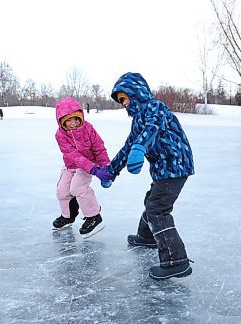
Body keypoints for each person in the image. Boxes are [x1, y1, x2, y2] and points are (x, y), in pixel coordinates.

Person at [106, 72, 195, 280]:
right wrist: (112, 170)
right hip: (164, 169)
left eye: (124, 98)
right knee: (152, 201)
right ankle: (146, 237)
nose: (123, 104)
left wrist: (140, 147)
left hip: (176, 165)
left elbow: (152, 128)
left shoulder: (155, 108)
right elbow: (128, 145)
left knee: (158, 209)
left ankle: (176, 261)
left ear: (136, 92)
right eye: (120, 101)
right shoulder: (137, 119)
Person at [53, 97, 115, 238]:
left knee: (77, 188)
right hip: (71, 165)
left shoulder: (88, 129)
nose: (73, 123)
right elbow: (72, 154)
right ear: (61, 121)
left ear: (81, 116)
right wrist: (94, 170)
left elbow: (99, 149)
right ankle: (68, 216)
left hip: (87, 165)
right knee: (62, 190)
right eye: (68, 120)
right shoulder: (60, 135)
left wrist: (105, 168)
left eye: (76, 119)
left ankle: (94, 217)